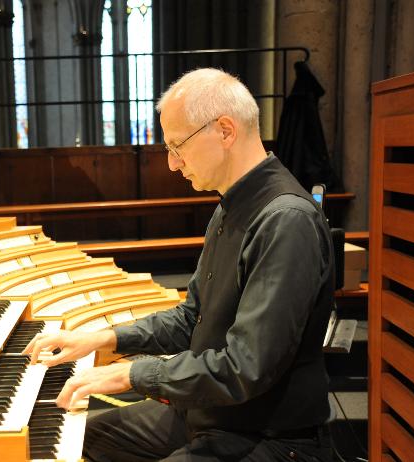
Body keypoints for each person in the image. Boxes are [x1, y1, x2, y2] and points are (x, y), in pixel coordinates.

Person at [23, 67, 335, 461]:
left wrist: (131, 374)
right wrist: (103, 338)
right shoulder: (230, 208)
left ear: (224, 130)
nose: (172, 164)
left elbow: (246, 367)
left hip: (268, 435)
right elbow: (193, 319)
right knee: (73, 439)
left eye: (177, 145)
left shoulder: (285, 220)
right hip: (211, 413)